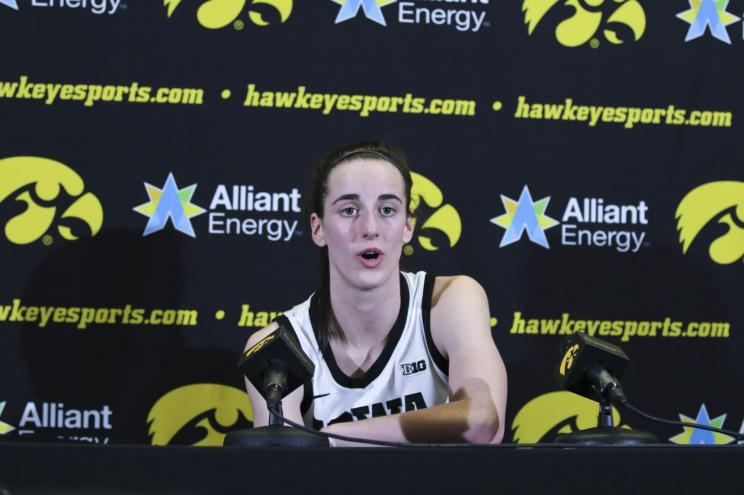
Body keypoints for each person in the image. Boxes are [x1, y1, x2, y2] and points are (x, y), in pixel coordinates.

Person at [244, 141, 507, 446]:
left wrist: (327, 438)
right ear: (318, 229)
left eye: (387, 209)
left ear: (408, 226)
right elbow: (280, 471)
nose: (370, 228)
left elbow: (482, 422)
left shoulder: (449, 301)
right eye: (349, 210)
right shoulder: (279, 346)